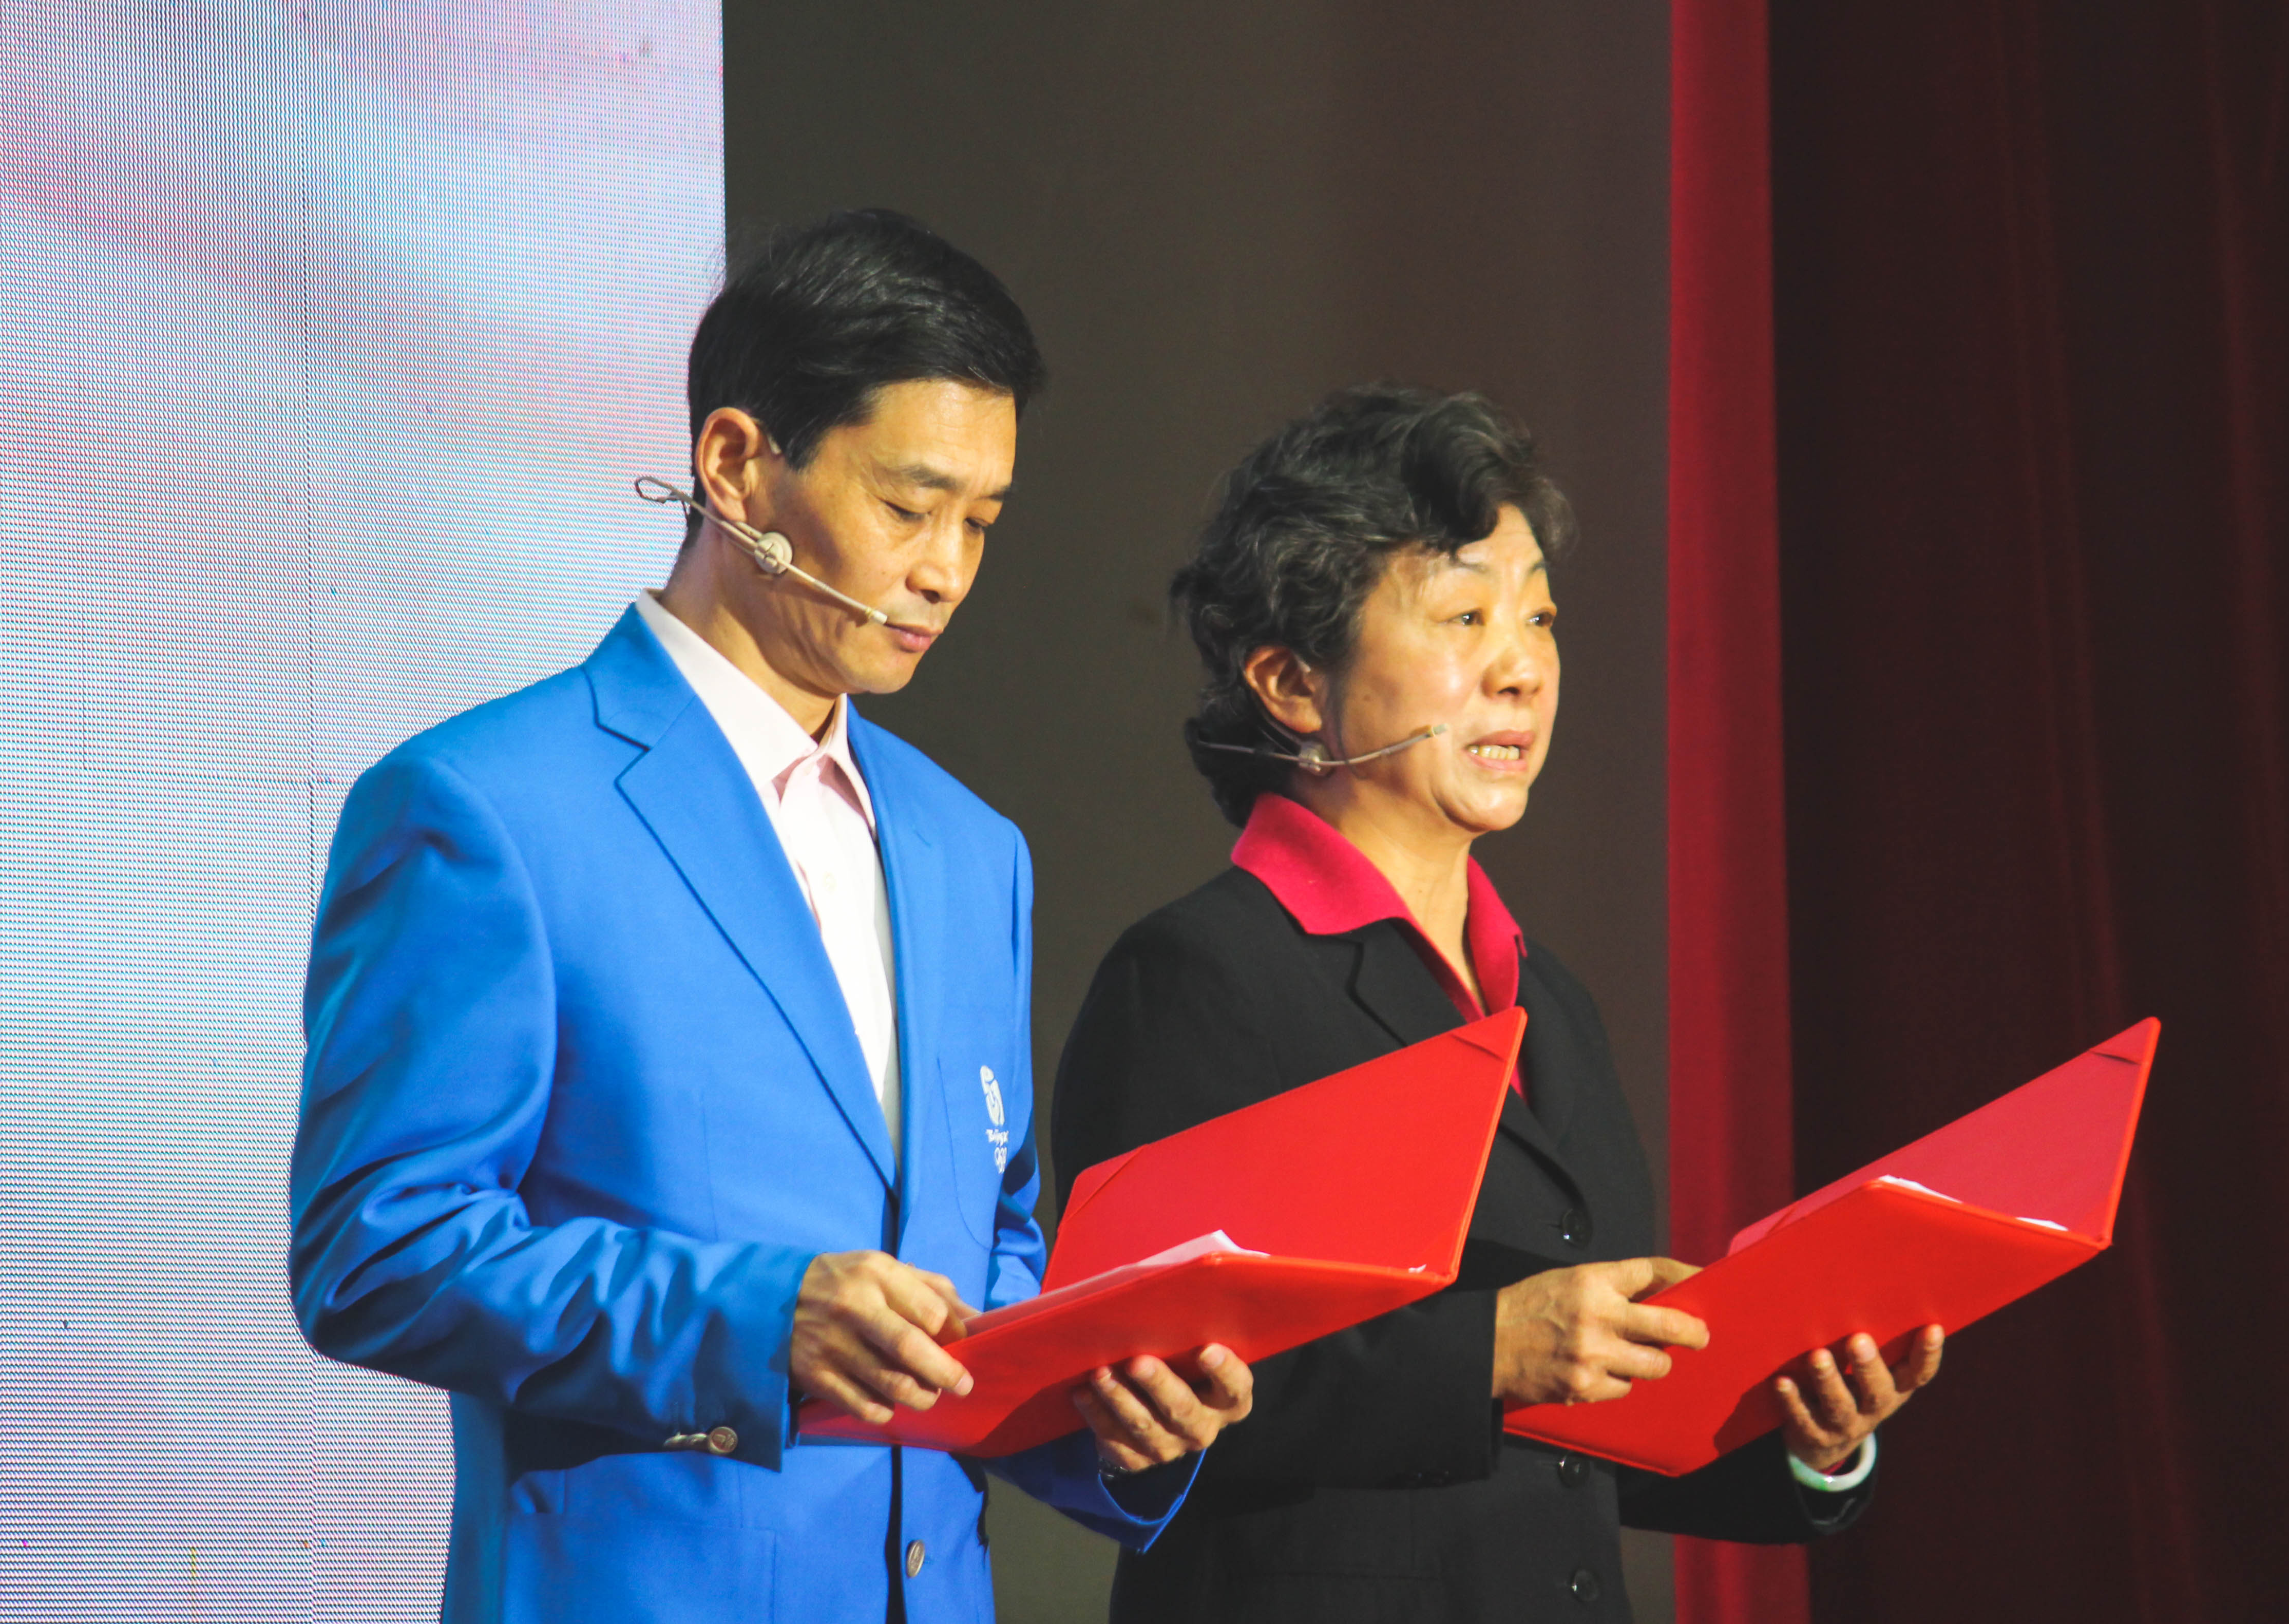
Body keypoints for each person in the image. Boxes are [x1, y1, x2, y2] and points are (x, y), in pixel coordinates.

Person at [290, 209, 1252, 1624]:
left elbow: (991, 1246)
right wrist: (752, 1319)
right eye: (910, 507)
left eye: (982, 522)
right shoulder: (484, 805)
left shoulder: (971, 849)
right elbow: (377, 1246)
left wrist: (1101, 1400)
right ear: (736, 462)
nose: (947, 569)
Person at [1051, 384, 1943, 1624]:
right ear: (1292, 682)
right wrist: (1491, 1351)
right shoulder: (1197, 975)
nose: (1522, 669)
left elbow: (1582, 1434)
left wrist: (1805, 1432)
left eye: (1537, 617)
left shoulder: (1549, 1000)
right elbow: (1125, 1396)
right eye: (1464, 617)